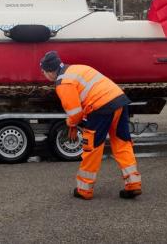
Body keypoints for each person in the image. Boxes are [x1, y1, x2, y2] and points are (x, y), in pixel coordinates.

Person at [40, 50, 142, 200]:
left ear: (49, 71)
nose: (44, 75)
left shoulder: (63, 83)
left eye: (43, 72)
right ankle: (133, 183)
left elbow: (75, 113)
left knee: (92, 147)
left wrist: (71, 124)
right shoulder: (77, 68)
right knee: (122, 143)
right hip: (119, 100)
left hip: (100, 107)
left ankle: (84, 189)